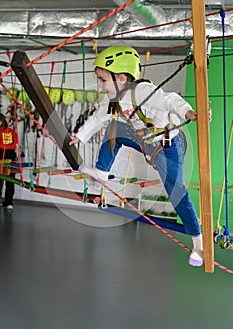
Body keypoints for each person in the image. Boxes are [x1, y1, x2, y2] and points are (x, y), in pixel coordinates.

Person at [70, 45, 211, 267]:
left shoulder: (142, 92)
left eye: (103, 80)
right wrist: (79, 137)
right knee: (113, 126)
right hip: (146, 144)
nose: (100, 85)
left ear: (123, 78)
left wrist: (189, 113)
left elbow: (170, 100)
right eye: (99, 79)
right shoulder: (113, 100)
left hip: (168, 145)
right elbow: (98, 118)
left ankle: (198, 244)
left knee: (177, 192)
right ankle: (101, 170)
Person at [0, 113, 18, 211]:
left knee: (0, 179)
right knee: (10, 180)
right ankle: (8, 202)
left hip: (2, 154)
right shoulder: (11, 131)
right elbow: (16, 145)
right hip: (11, 155)